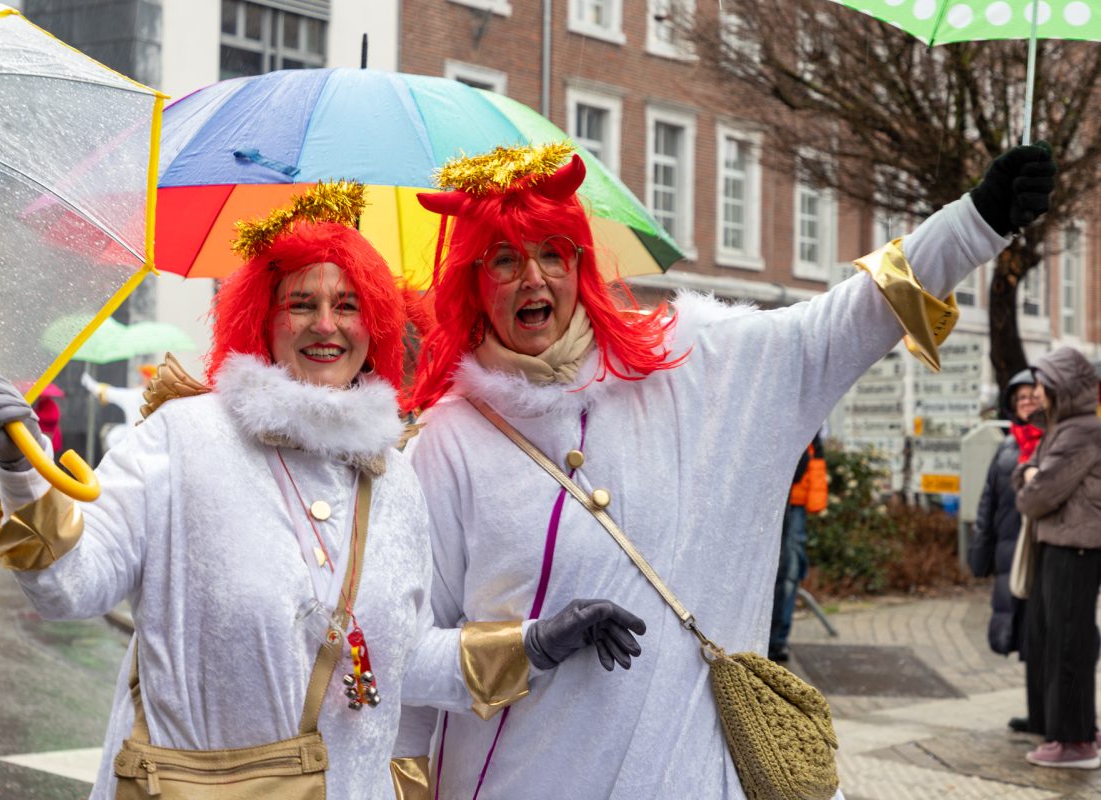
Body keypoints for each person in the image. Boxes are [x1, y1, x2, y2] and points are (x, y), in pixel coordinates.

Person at [393, 140, 1055, 798]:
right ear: (475, 283)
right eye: (505, 260)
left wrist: (974, 222)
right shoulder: (446, 446)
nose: (533, 279)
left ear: (581, 264)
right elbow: (405, 657)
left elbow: (843, 322)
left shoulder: (691, 365)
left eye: (551, 253)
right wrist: (528, 645)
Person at [0, 182, 642, 799]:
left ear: (373, 327)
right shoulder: (184, 437)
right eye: (301, 304)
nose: (325, 325)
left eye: (348, 305)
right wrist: (18, 467)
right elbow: (70, 586)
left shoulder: (394, 475)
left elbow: (399, 663)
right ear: (263, 318)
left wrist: (534, 644)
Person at [1014, 346, 1101, 770]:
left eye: (1042, 385)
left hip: (1075, 546)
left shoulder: (1080, 432)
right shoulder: (1063, 428)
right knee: (1058, 638)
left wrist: (1031, 477)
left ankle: (1075, 741)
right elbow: (1026, 474)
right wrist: (1030, 476)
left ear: (1061, 387)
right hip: (1063, 543)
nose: (1037, 393)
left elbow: (1037, 495)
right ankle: (1072, 729)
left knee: (1068, 641)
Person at [967, 370, 1040, 731]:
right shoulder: (1008, 446)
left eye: (1032, 396)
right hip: (1011, 553)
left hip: (1045, 554)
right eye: (1020, 398)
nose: (1027, 403)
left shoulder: (1054, 441)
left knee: (1047, 636)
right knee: (1024, 634)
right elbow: (988, 503)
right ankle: (1037, 712)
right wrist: (980, 555)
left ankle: (1057, 716)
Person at [769, 433, 827, 663]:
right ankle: (774, 639)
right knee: (784, 572)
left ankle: (777, 640)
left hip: (793, 498)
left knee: (788, 572)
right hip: (777, 495)